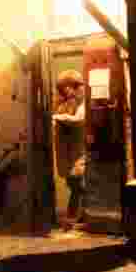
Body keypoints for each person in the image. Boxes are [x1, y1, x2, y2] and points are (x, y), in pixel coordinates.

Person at [52, 69, 87, 228]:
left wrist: (59, 117)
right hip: (70, 154)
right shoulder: (67, 104)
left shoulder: (81, 104)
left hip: (77, 153)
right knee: (77, 186)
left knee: (79, 187)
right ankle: (75, 218)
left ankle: (76, 217)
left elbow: (79, 120)